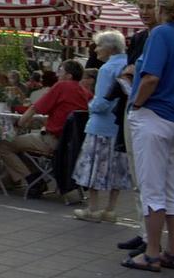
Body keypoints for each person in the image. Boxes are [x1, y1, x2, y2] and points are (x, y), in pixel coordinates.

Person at [122, 0, 174, 272]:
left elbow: (151, 78)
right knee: (172, 188)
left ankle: (152, 253)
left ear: (160, 8)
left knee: (152, 188)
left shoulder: (159, 34)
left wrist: (136, 105)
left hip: (153, 116)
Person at [0, 60, 91, 197]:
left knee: (4, 145)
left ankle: (32, 181)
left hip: (53, 141)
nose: (57, 74)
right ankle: (32, 178)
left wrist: (19, 124)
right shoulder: (86, 92)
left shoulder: (62, 86)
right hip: (74, 145)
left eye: (60, 71)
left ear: (69, 75)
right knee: (20, 145)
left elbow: (35, 108)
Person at [116, 0, 160, 257]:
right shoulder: (140, 37)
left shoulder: (163, 37)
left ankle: (152, 239)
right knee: (136, 174)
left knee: (150, 178)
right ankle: (144, 232)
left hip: (150, 110)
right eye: (140, 6)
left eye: (149, 7)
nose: (144, 12)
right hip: (133, 106)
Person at [72, 31, 131, 222]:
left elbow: (103, 101)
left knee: (94, 167)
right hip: (121, 126)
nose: (96, 50)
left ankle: (93, 208)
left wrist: (91, 106)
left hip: (102, 125)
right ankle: (110, 210)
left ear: (109, 48)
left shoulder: (107, 69)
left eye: (98, 46)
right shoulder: (128, 65)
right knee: (117, 169)